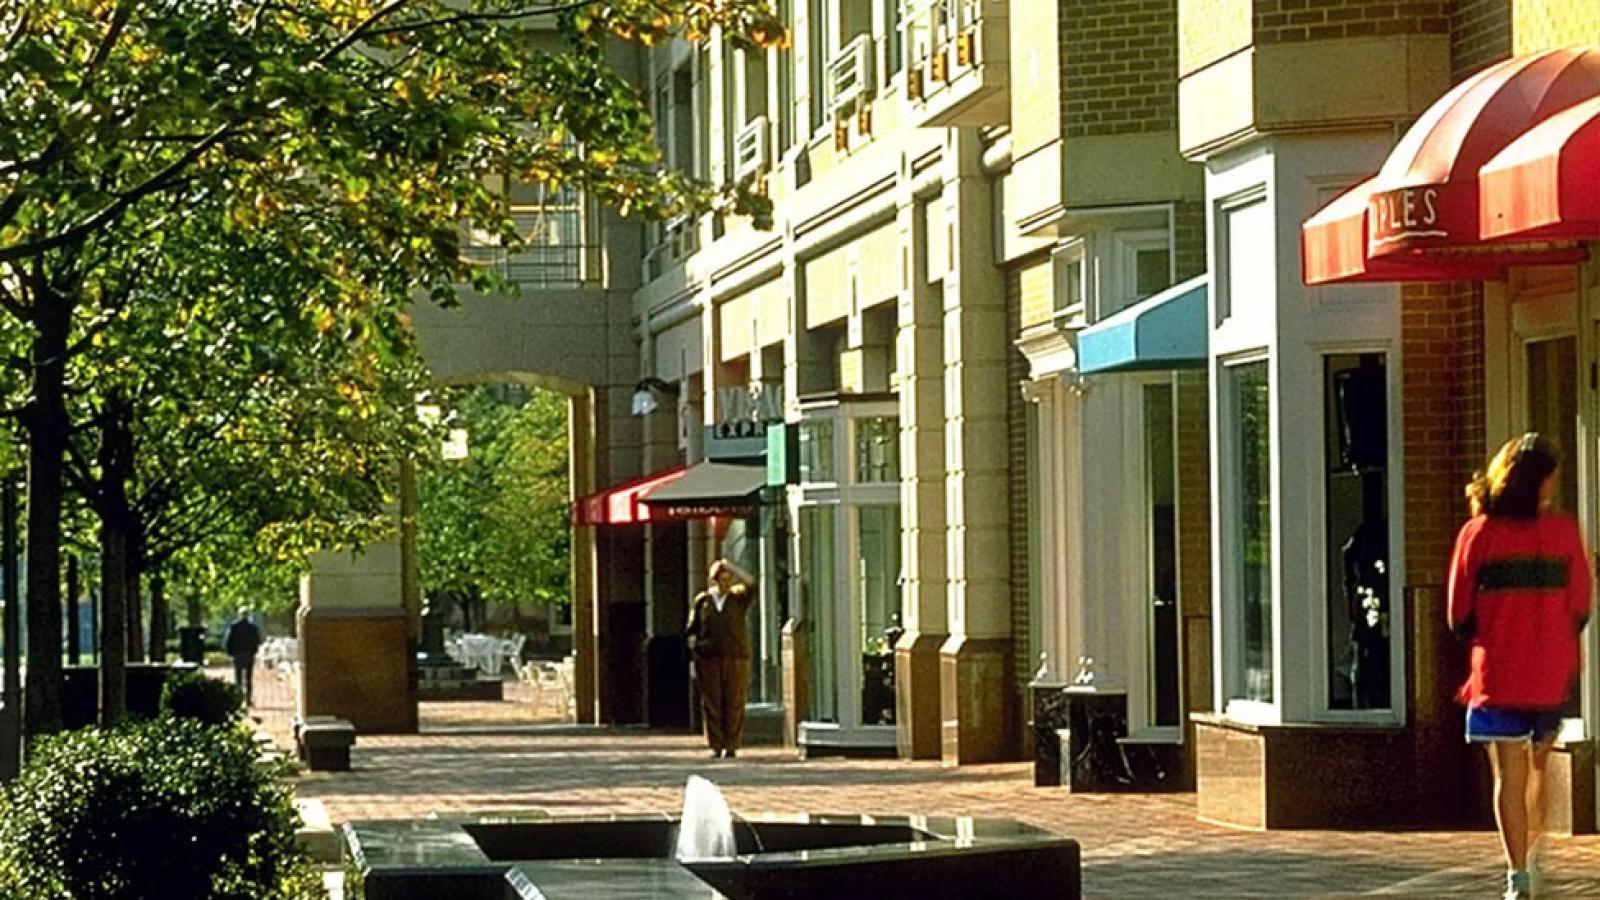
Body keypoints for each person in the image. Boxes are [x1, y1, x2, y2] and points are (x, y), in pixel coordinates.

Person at [1448, 433, 1592, 900]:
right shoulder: (1564, 533)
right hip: (1551, 674)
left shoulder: (1478, 534)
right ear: (1542, 483)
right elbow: (1581, 606)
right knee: (1540, 769)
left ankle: (1517, 876)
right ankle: (1536, 852)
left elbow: (1457, 612)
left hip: (1498, 674)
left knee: (1507, 777)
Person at [686, 559, 755, 759]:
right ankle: (716, 744)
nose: (724, 584)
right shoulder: (704, 601)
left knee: (734, 702)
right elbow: (693, 627)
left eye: (727, 579)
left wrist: (731, 566)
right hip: (709, 658)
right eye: (720, 580)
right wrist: (694, 643)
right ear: (713, 581)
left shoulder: (738, 598)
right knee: (712, 702)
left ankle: (732, 745)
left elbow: (752, 584)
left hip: (736, 656)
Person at [224, 607, 263, 705]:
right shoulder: (253, 628)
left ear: (239, 615)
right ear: (248, 615)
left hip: (237, 654)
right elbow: (257, 641)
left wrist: (230, 653)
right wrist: (254, 651)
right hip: (248, 654)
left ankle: (238, 699)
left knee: (238, 678)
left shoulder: (234, 627)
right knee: (248, 678)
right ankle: (248, 699)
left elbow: (228, 642)